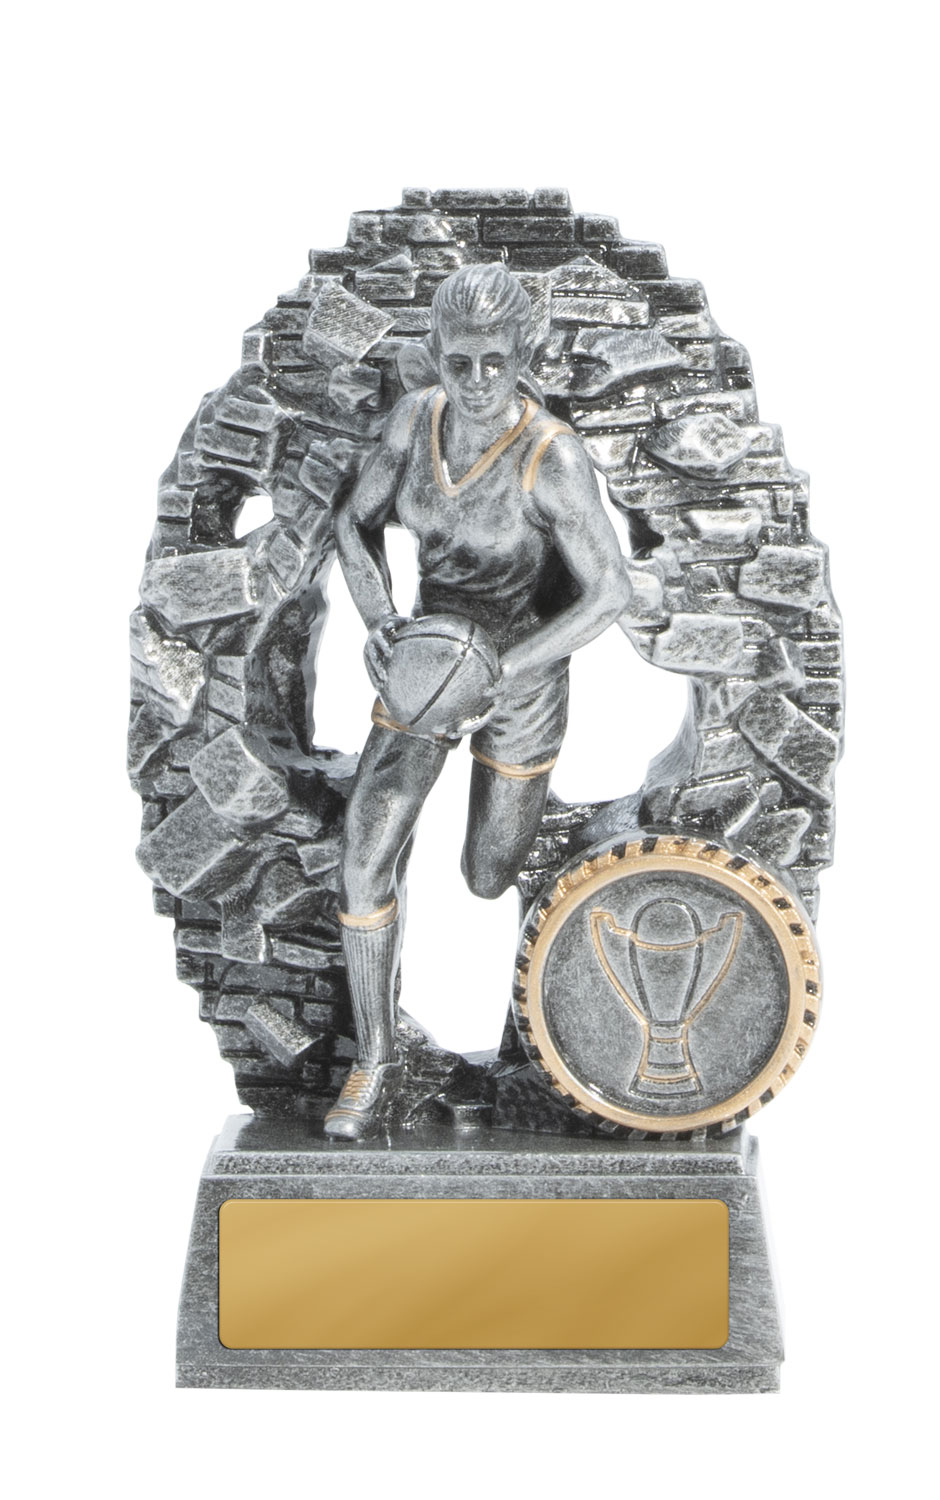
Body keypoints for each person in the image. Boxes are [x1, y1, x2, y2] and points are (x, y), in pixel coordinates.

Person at [326, 262, 630, 1138]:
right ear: (435, 355)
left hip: (520, 673)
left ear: (524, 356)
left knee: (490, 874)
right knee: (365, 852)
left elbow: (609, 591)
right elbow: (353, 521)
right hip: (429, 660)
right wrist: (379, 617)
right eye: (460, 361)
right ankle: (376, 1061)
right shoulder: (413, 421)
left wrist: (507, 669)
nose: (478, 379)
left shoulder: (551, 456)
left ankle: (554, 1015)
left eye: (496, 361)